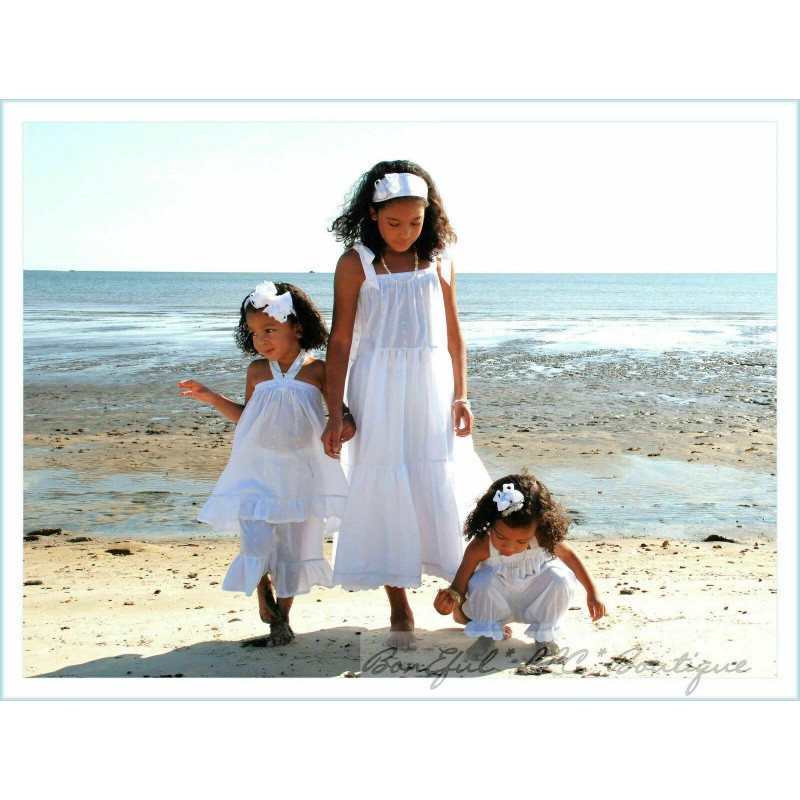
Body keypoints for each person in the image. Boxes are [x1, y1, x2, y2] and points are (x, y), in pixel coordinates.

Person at [322, 160, 489, 649]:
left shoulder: (439, 260)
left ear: (428, 216)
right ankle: (398, 601)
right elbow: (340, 340)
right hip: (376, 387)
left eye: (415, 222)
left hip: (432, 387)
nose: (404, 232)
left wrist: (462, 395)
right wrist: (335, 410)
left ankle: (458, 589)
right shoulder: (356, 263)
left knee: (439, 478)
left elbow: (454, 334)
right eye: (394, 222)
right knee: (385, 479)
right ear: (373, 215)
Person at [178, 281, 352, 646]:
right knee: (255, 541)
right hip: (257, 473)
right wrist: (213, 398)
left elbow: (342, 414)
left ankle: (281, 623)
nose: (261, 340)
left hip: (302, 477)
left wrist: (342, 428)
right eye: (255, 333)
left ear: (298, 328)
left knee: (295, 548)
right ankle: (263, 590)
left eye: (269, 330)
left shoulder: (318, 371)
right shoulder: (258, 371)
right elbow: (248, 418)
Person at [433, 472, 606, 661]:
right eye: (501, 537)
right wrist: (448, 603)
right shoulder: (481, 545)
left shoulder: (542, 537)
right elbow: (458, 587)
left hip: (534, 598)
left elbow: (570, 557)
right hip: (498, 603)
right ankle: (487, 636)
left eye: (521, 541)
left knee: (559, 578)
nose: (510, 547)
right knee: (482, 582)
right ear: (490, 522)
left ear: (539, 526)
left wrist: (592, 592)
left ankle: (544, 636)